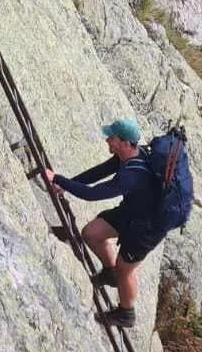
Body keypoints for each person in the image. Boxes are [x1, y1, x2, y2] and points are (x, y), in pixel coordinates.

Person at [43, 117, 171, 329]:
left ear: (124, 142)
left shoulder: (133, 174)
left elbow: (94, 194)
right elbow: (98, 173)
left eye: (111, 138)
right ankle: (110, 273)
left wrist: (58, 179)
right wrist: (68, 183)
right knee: (91, 233)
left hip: (147, 228)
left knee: (126, 269)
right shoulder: (126, 157)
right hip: (131, 213)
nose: (107, 141)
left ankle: (126, 313)